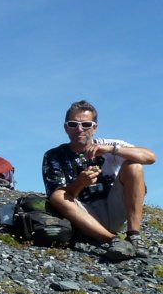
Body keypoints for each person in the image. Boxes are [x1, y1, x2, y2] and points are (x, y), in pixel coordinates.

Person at [42, 100, 155, 261]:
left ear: (95, 127)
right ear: (66, 127)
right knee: (58, 196)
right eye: (73, 124)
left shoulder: (108, 146)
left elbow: (150, 157)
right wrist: (80, 183)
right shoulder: (54, 156)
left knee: (134, 166)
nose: (80, 129)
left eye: (86, 124)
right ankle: (112, 240)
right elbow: (57, 197)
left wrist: (113, 149)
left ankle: (133, 235)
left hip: (113, 208)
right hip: (83, 215)